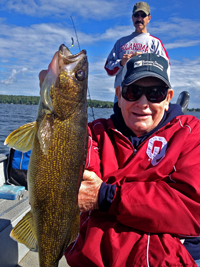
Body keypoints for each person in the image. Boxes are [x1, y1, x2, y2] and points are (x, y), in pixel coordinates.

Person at [64, 53, 200, 267]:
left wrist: (106, 197)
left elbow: (192, 207)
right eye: (133, 92)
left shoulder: (190, 133)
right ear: (119, 95)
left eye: (155, 93)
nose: (143, 103)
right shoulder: (94, 134)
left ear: (168, 98)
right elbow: (75, 185)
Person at [104, 1, 170, 103]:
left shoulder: (155, 43)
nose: (139, 19)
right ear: (132, 18)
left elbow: (166, 68)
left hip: (146, 98)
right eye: (136, 15)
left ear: (149, 18)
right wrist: (122, 62)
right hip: (122, 96)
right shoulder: (120, 43)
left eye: (143, 15)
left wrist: (145, 60)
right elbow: (108, 68)